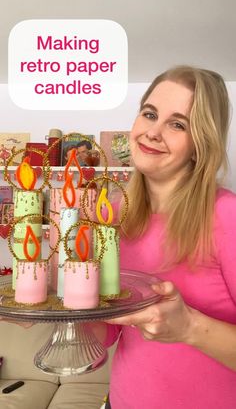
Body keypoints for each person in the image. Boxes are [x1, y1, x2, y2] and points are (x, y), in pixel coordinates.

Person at [98, 65, 236, 409]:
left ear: (200, 143)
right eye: (149, 114)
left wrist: (189, 326)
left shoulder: (227, 215)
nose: (153, 133)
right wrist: (54, 307)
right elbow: (107, 334)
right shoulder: (114, 214)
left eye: (177, 124)